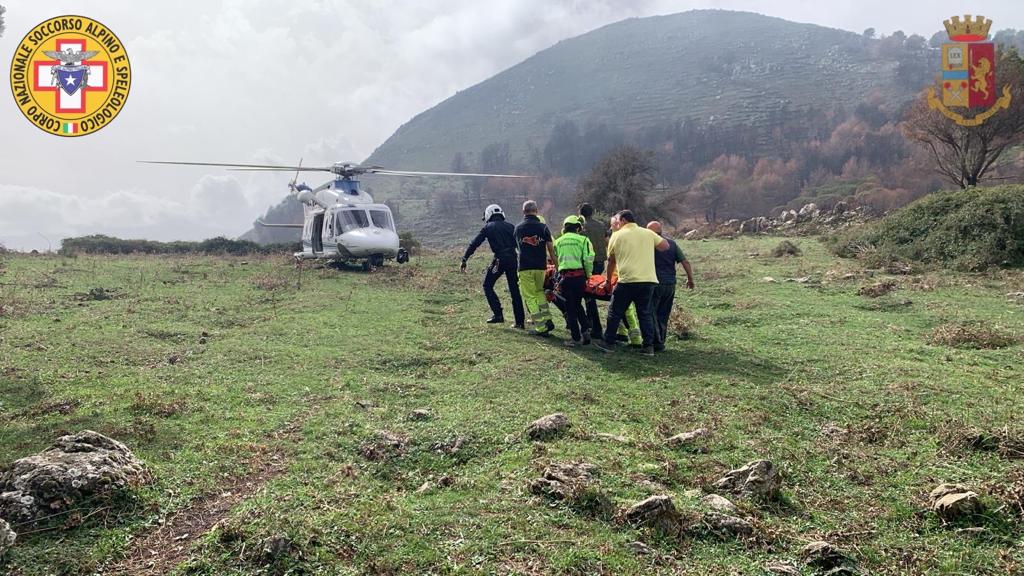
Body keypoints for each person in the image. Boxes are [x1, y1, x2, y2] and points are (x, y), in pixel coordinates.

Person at [593, 209, 670, 356]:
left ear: (622, 220)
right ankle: (648, 347)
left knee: (615, 311)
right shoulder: (648, 233)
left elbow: (611, 262)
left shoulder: (616, 235)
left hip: (627, 280)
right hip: (648, 280)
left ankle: (608, 342)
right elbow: (665, 246)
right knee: (645, 313)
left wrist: (609, 281)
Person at [461, 204, 525, 328]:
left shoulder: (488, 227)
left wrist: (465, 258)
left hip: (499, 260)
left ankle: (498, 314)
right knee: (515, 290)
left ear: (488, 215)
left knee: (487, 285)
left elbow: (474, 243)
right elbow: (519, 246)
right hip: (513, 259)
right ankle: (520, 322)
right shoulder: (511, 226)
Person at [646, 221, 695, 352]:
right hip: (670, 284)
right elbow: (685, 261)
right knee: (663, 313)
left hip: (654, 283)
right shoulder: (672, 244)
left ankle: (655, 342)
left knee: (651, 312)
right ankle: (661, 340)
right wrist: (690, 279)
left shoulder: (648, 245)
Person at [514, 200, 557, 335]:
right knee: (539, 292)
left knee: (529, 296)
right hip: (540, 267)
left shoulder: (518, 228)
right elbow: (551, 250)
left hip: (525, 267)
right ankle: (548, 319)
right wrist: (557, 267)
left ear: (523, 212)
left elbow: (517, 248)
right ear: (536, 211)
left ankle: (540, 327)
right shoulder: (543, 227)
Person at [553, 215, 595, 346]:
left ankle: (575, 338)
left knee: (570, 308)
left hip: (565, 278)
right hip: (580, 278)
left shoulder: (558, 241)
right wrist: (588, 276)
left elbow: (556, 259)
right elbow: (589, 259)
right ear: (578, 228)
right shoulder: (584, 240)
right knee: (577, 304)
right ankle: (585, 329)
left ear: (565, 227)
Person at [579, 203, 608, 337]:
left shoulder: (581, 227)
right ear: (593, 212)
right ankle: (591, 324)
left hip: (587, 263)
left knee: (588, 294)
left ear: (581, 213)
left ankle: (594, 326)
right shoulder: (601, 225)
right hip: (600, 261)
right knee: (592, 292)